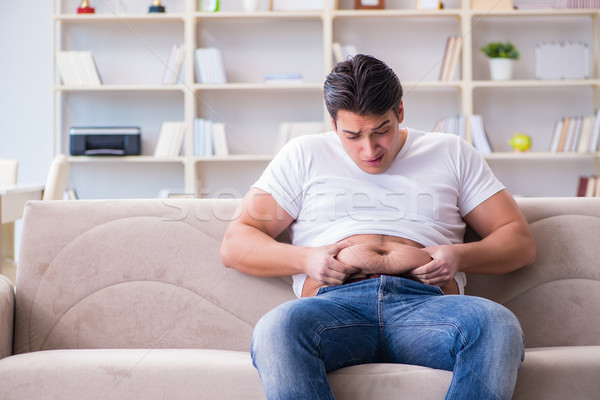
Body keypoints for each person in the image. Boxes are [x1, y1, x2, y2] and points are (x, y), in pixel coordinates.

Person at [220, 54, 536, 400]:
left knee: (497, 325)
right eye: (352, 135)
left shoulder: (451, 152)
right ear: (333, 124)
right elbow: (236, 242)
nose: (369, 149)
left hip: (428, 307)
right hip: (333, 309)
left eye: (381, 131)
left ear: (399, 112)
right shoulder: (302, 155)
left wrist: (458, 257)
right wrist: (307, 260)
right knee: (275, 330)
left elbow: (518, 241)